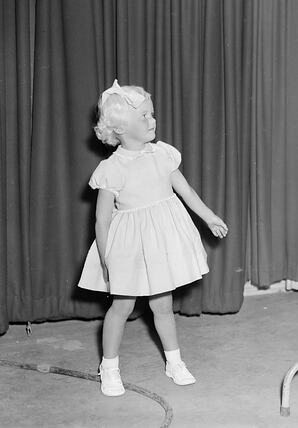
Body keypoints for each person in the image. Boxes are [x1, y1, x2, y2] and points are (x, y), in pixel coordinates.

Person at [78, 80, 228, 396]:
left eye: (152, 113)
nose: (152, 121)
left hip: (161, 243)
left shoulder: (162, 154)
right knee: (122, 307)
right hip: (130, 248)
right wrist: (106, 259)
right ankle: (109, 367)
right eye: (144, 116)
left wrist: (209, 216)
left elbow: (186, 191)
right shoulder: (112, 169)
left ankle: (173, 361)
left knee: (163, 304)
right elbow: (102, 220)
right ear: (119, 129)